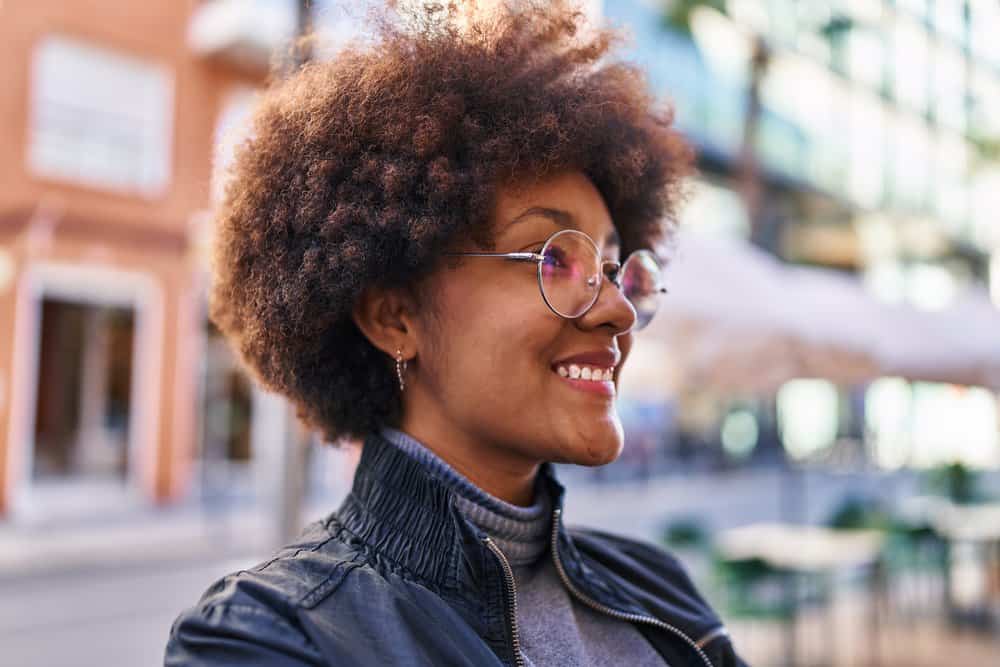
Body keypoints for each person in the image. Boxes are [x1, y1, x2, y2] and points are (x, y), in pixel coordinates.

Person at [166, 2, 748, 665]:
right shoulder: (268, 638)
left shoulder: (659, 591)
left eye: (615, 267)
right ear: (395, 317)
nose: (616, 307)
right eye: (556, 258)